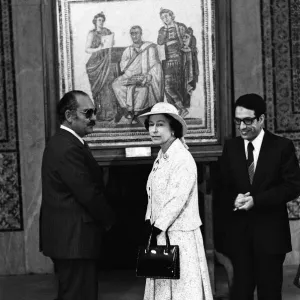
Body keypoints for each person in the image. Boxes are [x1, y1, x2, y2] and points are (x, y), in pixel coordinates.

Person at [219, 93, 300, 300]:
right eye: (239, 121)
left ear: (261, 119)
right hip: (239, 238)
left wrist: (257, 201)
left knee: (270, 293)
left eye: (248, 121)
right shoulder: (231, 148)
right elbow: (221, 186)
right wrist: (233, 199)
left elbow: (293, 186)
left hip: (271, 236)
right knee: (241, 293)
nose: (243, 127)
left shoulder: (282, 147)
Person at [39, 90, 116, 300]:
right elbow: (87, 193)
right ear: (69, 116)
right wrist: (108, 220)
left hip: (72, 239)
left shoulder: (68, 142)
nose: (94, 118)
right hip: (73, 240)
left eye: (95, 112)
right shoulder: (66, 147)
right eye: (88, 113)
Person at [138, 102, 213, 300]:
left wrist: (156, 227)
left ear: (173, 128)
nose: (154, 129)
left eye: (160, 124)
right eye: (151, 124)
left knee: (182, 291)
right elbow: (153, 193)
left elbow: (177, 199)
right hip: (162, 233)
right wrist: (149, 221)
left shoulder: (182, 158)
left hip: (180, 236)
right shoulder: (162, 155)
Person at [112, 25, 163, 124]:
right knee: (115, 84)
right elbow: (123, 66)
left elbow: (155, 64)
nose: (134, 36)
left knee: (142, 89)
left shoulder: (149, 48)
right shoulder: (128, 50)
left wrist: (148, 76)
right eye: (132, 34)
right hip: (129, 76)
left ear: (141, 34)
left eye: (136, 33)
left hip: (143, 76)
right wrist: (132, 62)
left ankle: (136, 114)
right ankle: (127, 110)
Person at [85, 12, 118, 122]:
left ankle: (110, 113)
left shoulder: (107, 31)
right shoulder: (91, 33)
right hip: (95, 63)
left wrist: (111, 41)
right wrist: (98, 49)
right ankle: (99, 113)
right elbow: (87, 49)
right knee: (98, 90)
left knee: (107, 86)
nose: (101, 22)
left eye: (102, 20)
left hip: (106, 61)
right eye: (99, 20)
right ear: (95, 21)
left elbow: (111, 44)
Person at [157, 8, 189, 118]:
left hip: (179, 61)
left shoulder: (180, 27)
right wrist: (165, 30)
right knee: (167, 87)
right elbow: (160, 42)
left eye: (166, 16)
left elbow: (187, 39)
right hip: (167, 61)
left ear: (172, 16)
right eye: (162, 18)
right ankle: (180, 109)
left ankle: (181, 109)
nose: (165, 19)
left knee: (176, 86)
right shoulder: (162, 30)